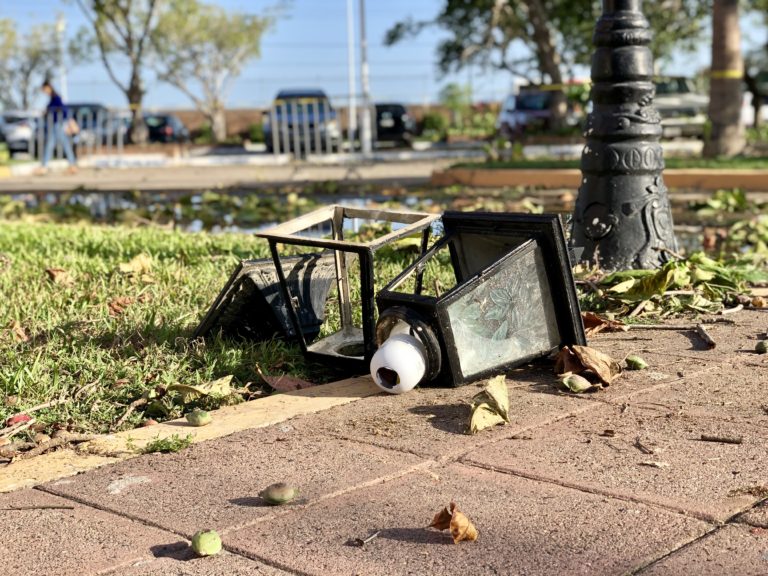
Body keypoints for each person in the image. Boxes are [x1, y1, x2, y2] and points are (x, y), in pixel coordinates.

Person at [38, 80, 77, 174]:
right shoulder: (53, 98)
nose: (44, 91)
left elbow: (63, 109)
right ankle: (72, 165)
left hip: (59, 124)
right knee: (56, 144)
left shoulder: (56, 98)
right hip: (56, 124)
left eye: (44, 89)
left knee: (60, 144)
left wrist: (49, 111)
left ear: (48, 87)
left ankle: (45, 166)